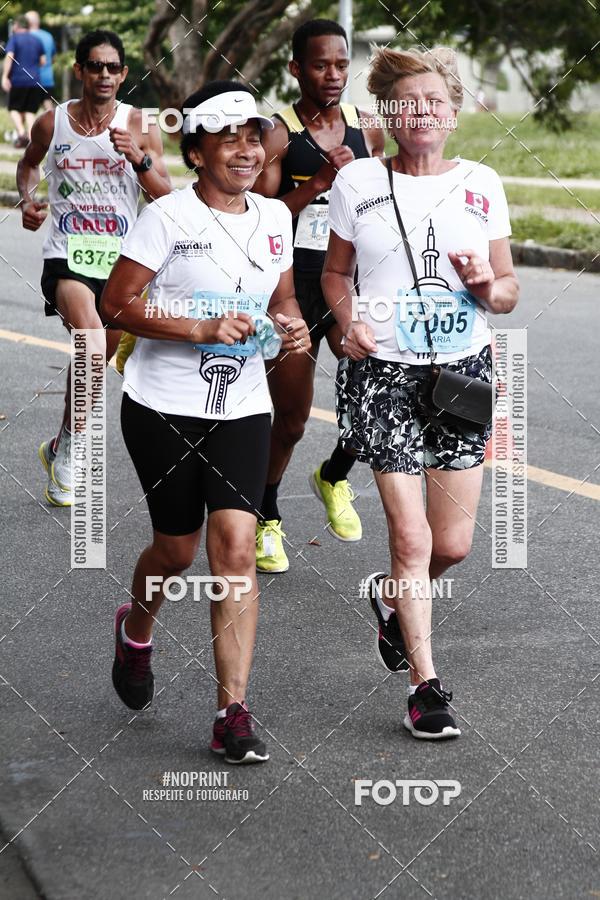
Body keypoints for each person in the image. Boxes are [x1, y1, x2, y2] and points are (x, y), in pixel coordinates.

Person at [100, 81, 310, 764]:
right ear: (196, 150)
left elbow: (281, 296)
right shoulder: (167, 217)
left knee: (235, 549)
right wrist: (199, 327)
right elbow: (116, 304)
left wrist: (292, 326)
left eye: (255, 137)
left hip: (242, 405)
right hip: (162, 404)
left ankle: (232, 710)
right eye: (230, 138)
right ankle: (136, 628)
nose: (247, 151)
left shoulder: (276, 218)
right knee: (177, 551)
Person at [322, 47, 519, 739]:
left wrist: (481, 287)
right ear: (388, 114)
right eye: (407, 102)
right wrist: (345, 325)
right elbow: (333, 275)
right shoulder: (357, 184)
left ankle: (388, 600)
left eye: (434, 100)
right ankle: (425, 686)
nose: (422, 112)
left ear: (454, 112)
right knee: (410, 536)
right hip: (384, 377)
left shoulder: (482, 183)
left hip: (462, 374)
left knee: (454, 545)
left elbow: (507, 289)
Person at [16, 29, 171, 506]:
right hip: (68, 254)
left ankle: (63, 438)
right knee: (88, 340)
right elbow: (28, 165)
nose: (104, 75)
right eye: (95, 66)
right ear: (80, 70)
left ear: (123, 74)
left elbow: (164, 194)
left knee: (93, 358)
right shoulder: (52, 122)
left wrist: (138, 157)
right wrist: (29, 199)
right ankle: (73, 454)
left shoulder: (139, 123)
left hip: (123, 261)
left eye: (113, 68)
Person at [252, 19, 385, 573]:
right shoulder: (278, 133)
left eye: (340, 63)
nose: (332, 75)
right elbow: (261, 214)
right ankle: (266, 514)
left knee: (376, 394)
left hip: (350, 278)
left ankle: (333, 476)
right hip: (293, 284)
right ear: (296, 69)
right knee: (291, 419)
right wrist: (316, 185)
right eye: (319, 64)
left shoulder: (368, 127)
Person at [2, 16, 45, 146]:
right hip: (35, 81)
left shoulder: (14, 39)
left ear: (16, 25)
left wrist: (4, 76)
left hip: (18, 80)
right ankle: (32, 139)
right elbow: (43, 61)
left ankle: (21, 133)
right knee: (30, 111)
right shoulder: (37, 40)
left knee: (13, 108)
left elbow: (10, 56)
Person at [25, 10, 56, 112]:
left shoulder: (24, 37)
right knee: (48, 105)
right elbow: (53, 58)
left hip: (29, 78)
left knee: (26, 109)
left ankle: (24, 128)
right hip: (47, 78)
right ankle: (54, 127)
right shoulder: (48, 36)